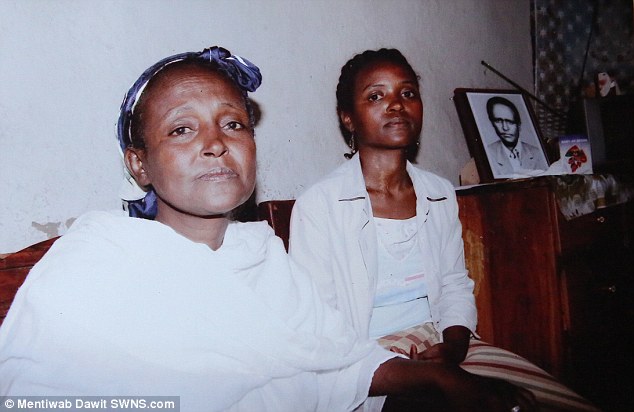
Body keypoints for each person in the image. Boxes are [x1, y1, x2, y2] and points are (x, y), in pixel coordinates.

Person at [0, 46, 534, 412]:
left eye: (233, 124)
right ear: (139, 164)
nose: (216, 143)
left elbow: (337, 362)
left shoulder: (260, 254)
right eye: (182, 129)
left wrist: (438, 375)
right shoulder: (96, 259)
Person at [289, 48, 600, 412]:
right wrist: (432, 375)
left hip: (440, 343)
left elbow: (454, 284)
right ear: (348, 118)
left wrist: (453, 348)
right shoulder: (320, 205)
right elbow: (322, 331)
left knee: (545, 401)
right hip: (366, 363)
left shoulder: (437, 193)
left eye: (407, 93)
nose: (396, 104)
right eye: (376, 96)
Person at [485, 96, 548, 175]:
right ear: (492, 123)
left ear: (519, 124)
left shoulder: (537, 153)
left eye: (510, 122)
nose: (505, 128)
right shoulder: (488, 153)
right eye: (498, 121)